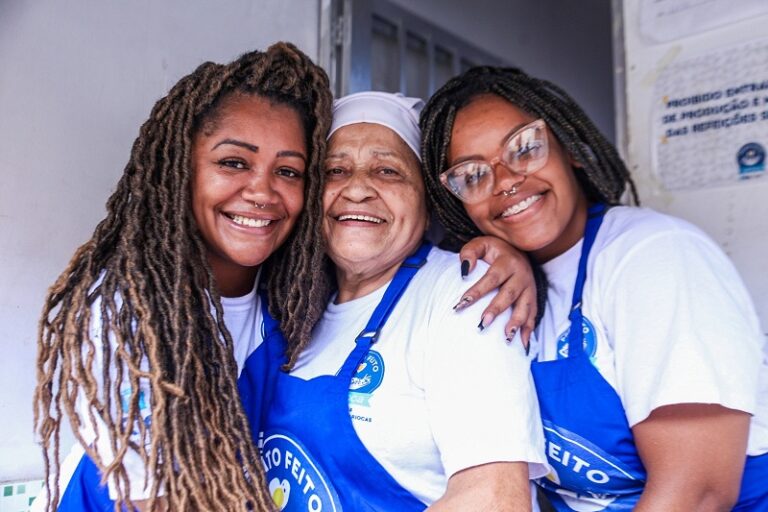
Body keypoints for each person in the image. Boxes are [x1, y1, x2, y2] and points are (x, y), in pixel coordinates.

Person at [420, 65, 768, 510]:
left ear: (571, 150)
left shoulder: (653, 256)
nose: (506, 181)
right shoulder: (499, 287)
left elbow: (697, 494)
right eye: (472, 176)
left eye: (525, 148)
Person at [33, 42, 334, 512]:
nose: (263, 192)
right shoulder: (126, 313)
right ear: (181, 170)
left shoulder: (296, 303)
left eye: (289, 171)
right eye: (234, 162)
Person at [258, 91, 549, 511]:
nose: (357, 189)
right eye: (336, 171)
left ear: (429, 204)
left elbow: (492, 497)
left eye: (387, 171)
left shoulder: (462, 293)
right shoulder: (295, 301)